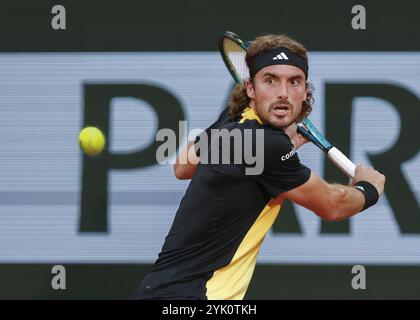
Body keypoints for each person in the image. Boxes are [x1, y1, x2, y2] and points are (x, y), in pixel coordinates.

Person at [135, 34, 385, 300]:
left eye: (294, 82)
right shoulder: (268, 145)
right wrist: (367, 187)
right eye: (270, 80)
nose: (283, 93)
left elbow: (183, 166)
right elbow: (333, 205)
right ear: (251, 89)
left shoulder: (235, 122)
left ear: (305, 91)